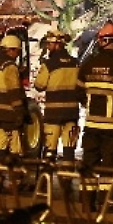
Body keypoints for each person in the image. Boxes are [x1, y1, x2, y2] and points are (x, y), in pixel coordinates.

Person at [76, 21, 113, 206]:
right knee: (108, 166)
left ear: (100, 42)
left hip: (93, 125)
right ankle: (104, 202)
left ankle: (87, 202)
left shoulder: (87, 66)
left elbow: (79, 92)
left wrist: (89, 105)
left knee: (89, 163)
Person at [33, 28, 80, 165]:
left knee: (50, 150)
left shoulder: (49, 64)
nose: (48, 47)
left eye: (50, 44)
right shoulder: (75, 63)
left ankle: (46, 179)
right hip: (71, 113)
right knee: (69, 150)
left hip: (53, 114)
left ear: (58, 44)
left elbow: (39, 85)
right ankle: (67, 180)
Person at [0, 33, 29, 164]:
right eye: (17, 51)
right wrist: (20, 111)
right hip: (8, 113)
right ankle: (17, 180)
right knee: (15, 147)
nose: (18, 55)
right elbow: (14, 91)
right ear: (11, 50)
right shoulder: (9, 66)